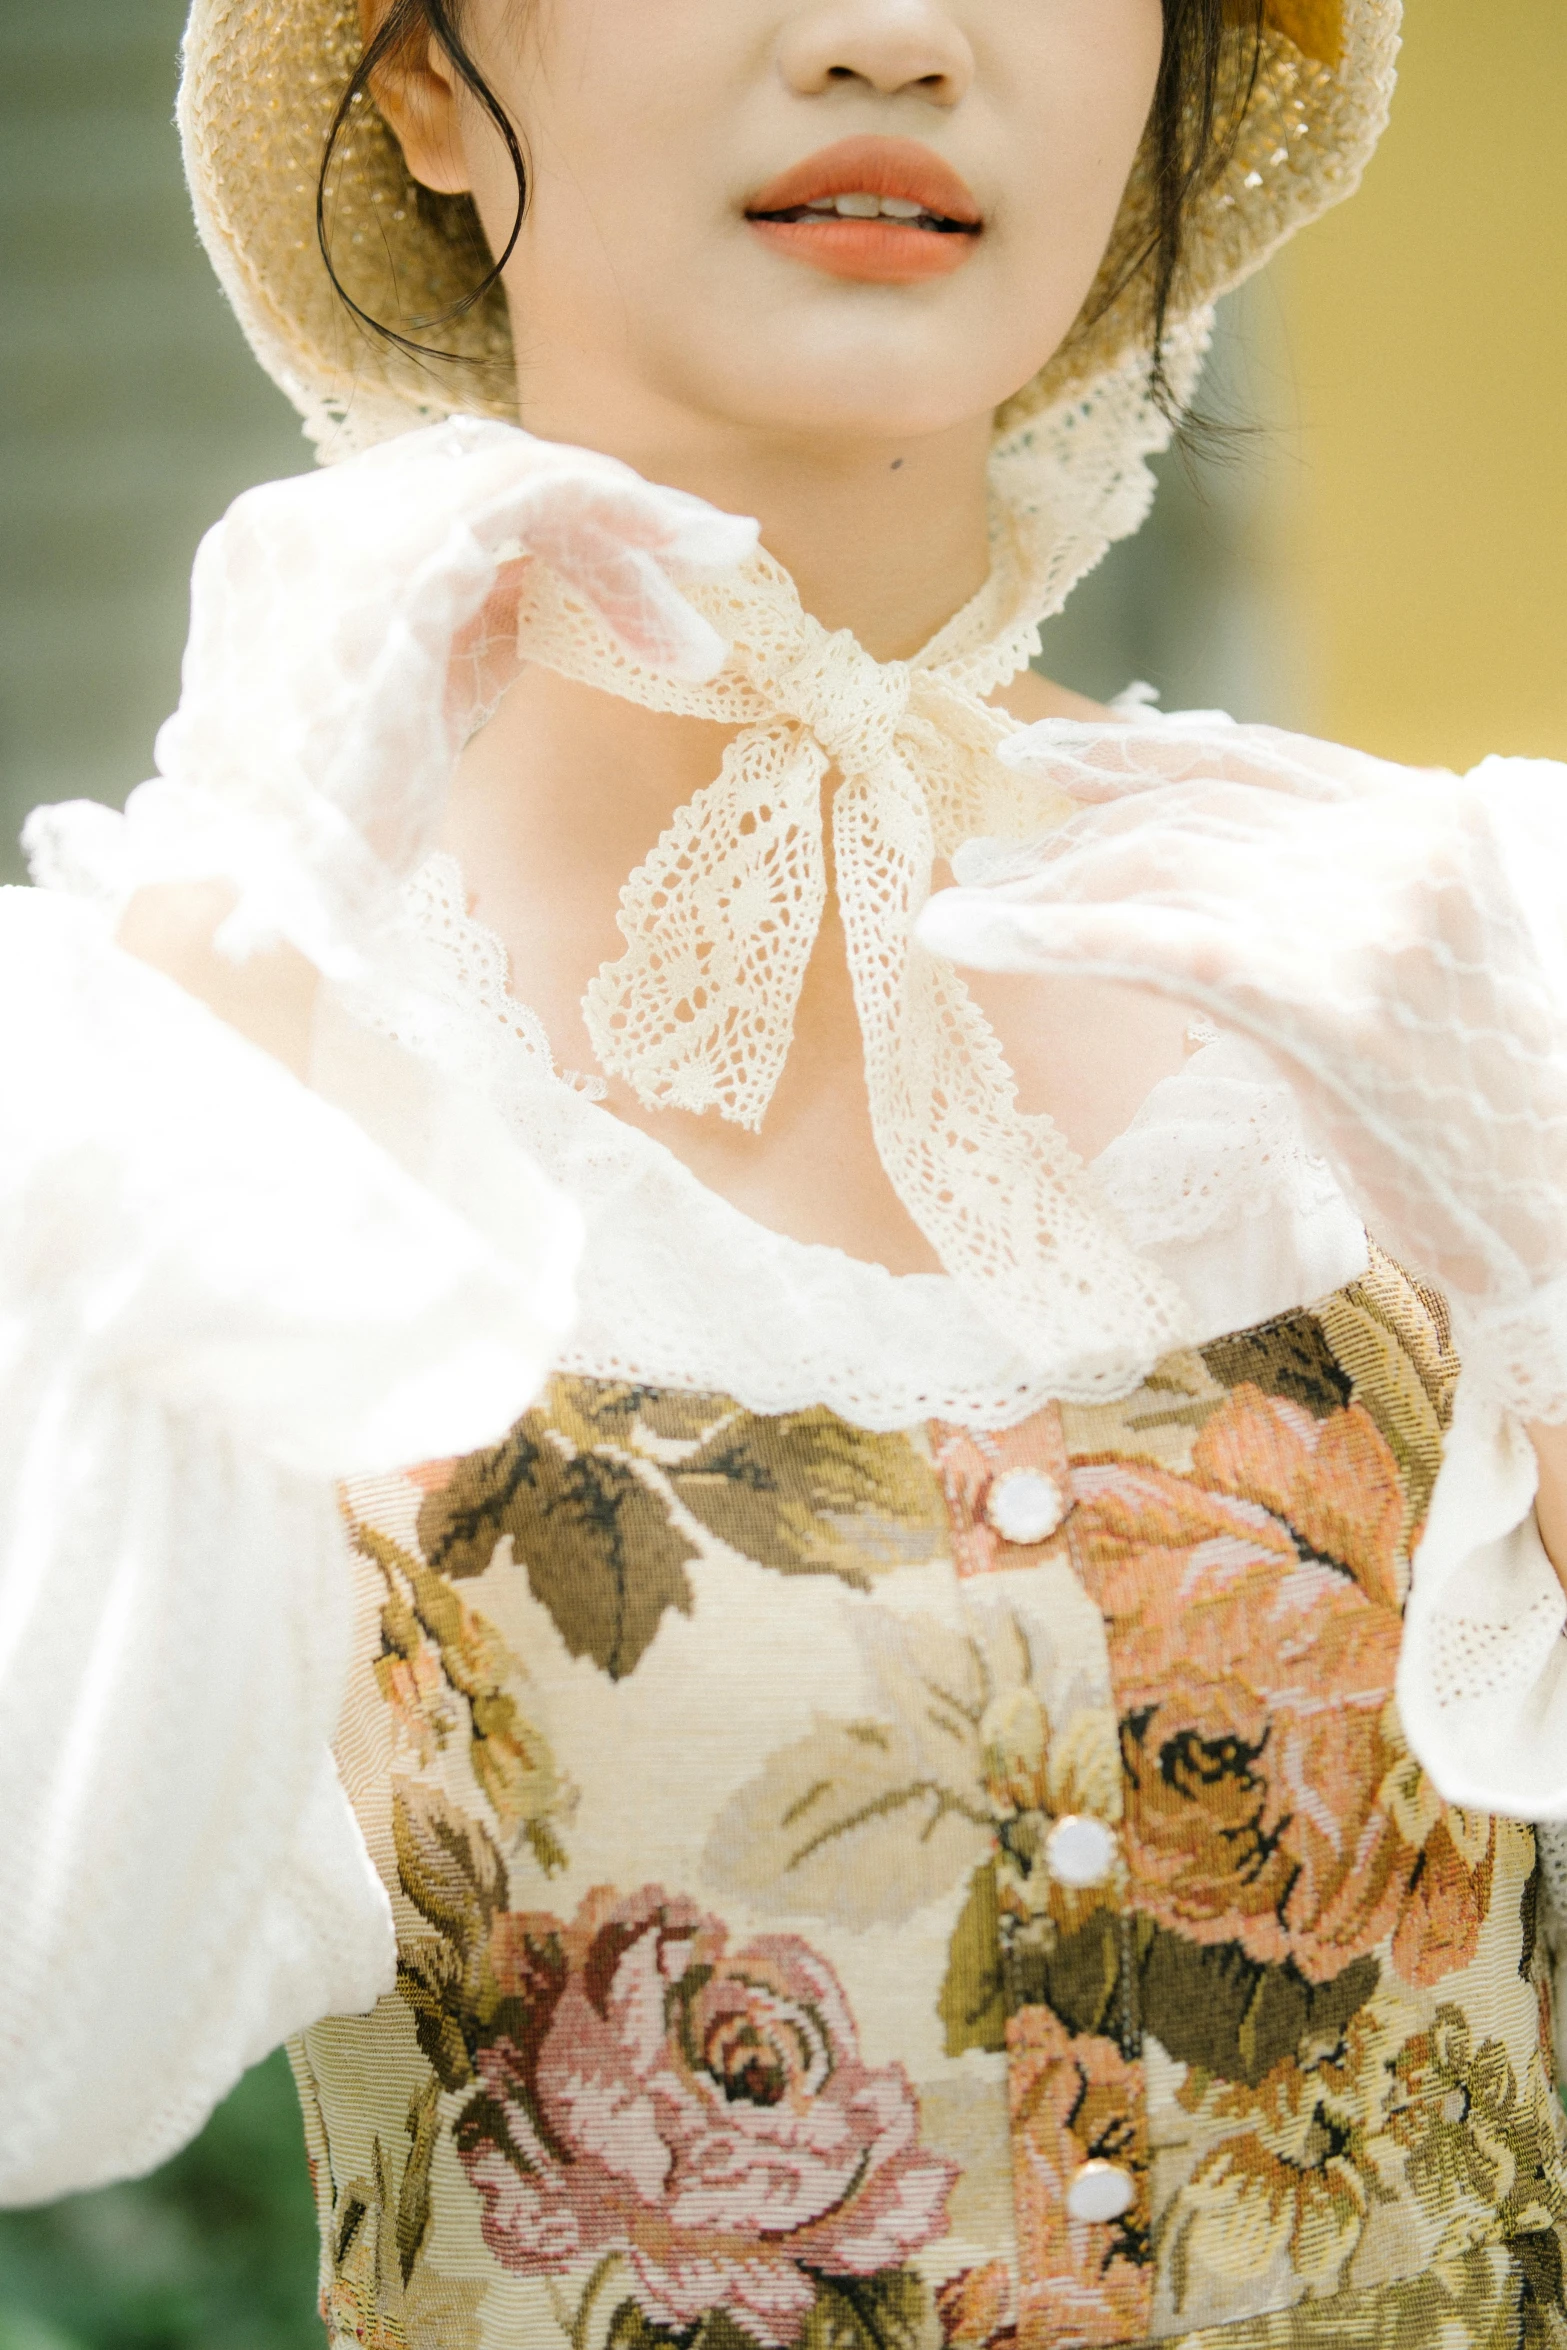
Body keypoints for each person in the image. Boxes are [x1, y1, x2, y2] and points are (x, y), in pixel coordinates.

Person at [5, 0, 1567, 2342]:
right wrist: (242, 918)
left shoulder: (1445, 954)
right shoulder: (170, 1054)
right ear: (423, 76)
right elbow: (45, 2036)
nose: (894, 36)